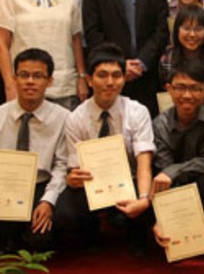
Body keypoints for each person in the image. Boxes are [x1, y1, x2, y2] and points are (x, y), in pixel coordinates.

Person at [55, 43, 156, 257]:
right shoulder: (75, 118)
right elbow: (74, 167)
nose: (110, 82)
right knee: (65, 211)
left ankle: (135, 236)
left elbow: (144, 162)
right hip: (92, 184)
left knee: (153, 197)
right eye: (102, 75)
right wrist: (72, 178)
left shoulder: (137, 111)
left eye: (116, 75)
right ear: (89, 80)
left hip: (130, 180)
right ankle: (90, 235)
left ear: (124, 79)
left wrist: (144, 198)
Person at [0, 48, 68, 255]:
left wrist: (48, 201)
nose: (30, 81)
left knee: (39, 241)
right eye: (24, 75)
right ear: (14, 78)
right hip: (4, 186)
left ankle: (28, 231)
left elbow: (62, 166)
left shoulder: (64, 118)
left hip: (41, 186)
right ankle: (6, 237)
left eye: (38, 76)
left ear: (49, 82)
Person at [82, 0, 170, 118]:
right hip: (109, 78)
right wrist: (120, 64)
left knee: (145, 132)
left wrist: (141, 62)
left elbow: (161, 32)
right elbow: (93, 33)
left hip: (146, 77)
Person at [151, 58, 204, 263]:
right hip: (174, 186)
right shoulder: (160, 124)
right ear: (169, 89)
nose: (187, 95)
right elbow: (163, 169)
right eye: (180, 87)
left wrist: (174, 171)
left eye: (195, 88)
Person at [159, 5, 204, 85]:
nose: (192, 34)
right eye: (186, 28)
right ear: (177, 31)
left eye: (198, 29)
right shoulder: (167, 60)